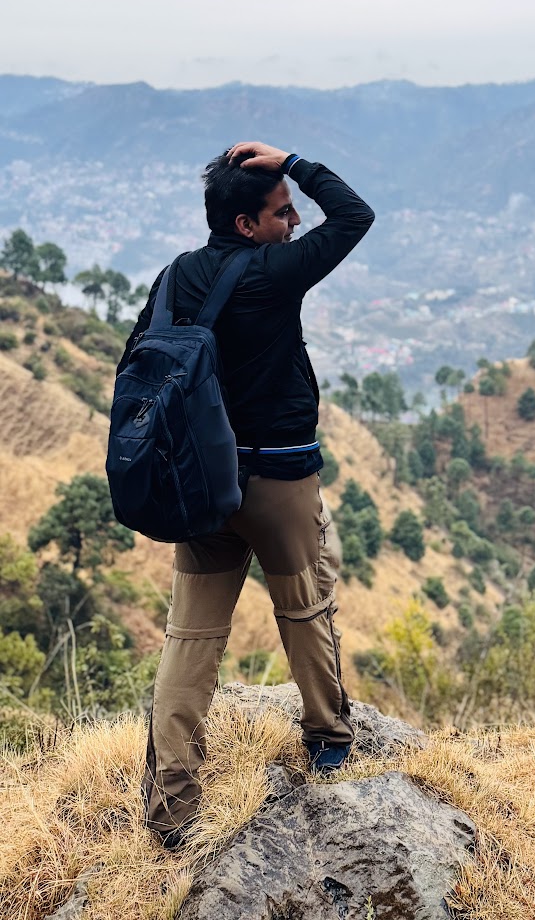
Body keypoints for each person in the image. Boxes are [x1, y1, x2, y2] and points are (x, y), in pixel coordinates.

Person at [117, 140, 375, 846]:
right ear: (246, 225)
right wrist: (292, 161)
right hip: (277, 481)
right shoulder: (273, 271)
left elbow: (138, 367)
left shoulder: (174, 277)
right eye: (282, 213)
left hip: (201, 487)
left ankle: (172, 804)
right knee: (304, 606)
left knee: (191, 638)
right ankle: (328, 740)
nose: (293, 223)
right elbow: (354, 216)